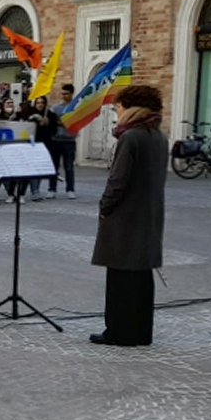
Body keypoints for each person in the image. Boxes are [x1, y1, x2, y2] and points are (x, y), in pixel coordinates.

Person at [90, 85, 167, 347]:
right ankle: (140, 331)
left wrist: (105, 207)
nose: (116, 111)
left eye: (119, 107)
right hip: (149, 212)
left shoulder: (131, 137)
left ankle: (119, 331)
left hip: (127, 215)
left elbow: (118, 180)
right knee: (141, 275)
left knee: (121, 276)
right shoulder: (158, 136)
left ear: (133, 108)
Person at [50, 84, 78, 199]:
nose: (64, 96)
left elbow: (76, 122)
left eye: (66, 94)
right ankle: (52, 189)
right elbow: (52, 122)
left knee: (69, 166)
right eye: (62, 94)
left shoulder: (76, 107)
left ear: (71, 94)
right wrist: (64, 122)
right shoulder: (56, 107)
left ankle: (70, 189)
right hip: (56, 139)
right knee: (54, 166)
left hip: (69, 140)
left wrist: (64, 122)